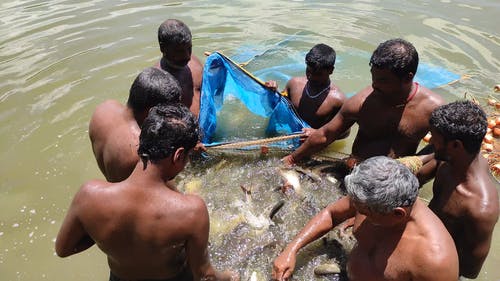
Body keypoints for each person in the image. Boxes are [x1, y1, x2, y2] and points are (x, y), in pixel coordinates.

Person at [56, 105, 238, 281]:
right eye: (187, 157)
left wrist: (105, 236)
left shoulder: (89, 196)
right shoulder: (191, 211)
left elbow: (63, 249)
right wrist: (229, 277)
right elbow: (205, 276)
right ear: (178, 155)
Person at [272, 156, 459, 281]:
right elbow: (331, 213)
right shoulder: (371, 198)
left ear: (397, 213)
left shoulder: (434, 261)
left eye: (365, 212)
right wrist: (291, 249)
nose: (356, 212)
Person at [282, 38, 445, 167]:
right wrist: (292, 158)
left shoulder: (433, 108)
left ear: (408, 78)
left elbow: (447, 149)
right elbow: (326, 135)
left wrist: (414, 164)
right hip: (355, 169)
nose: (374, 85)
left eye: (383, 80)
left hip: (396, 179)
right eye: (373, 77)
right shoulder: (362, 102)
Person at [428, 100, 499, 279]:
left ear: (455, 145)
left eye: (434, 138)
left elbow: (469, 270)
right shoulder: (456, 159)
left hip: (436, 268)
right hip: (426, 237)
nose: (431, 140)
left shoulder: (480, 209)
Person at [89, 67, 181, 182]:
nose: (171, 117)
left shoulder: (103, 109)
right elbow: (161, 191)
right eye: (169, 112)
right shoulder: (141, 152)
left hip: (113, 183)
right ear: (151, 111)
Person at [266, 44, 347, 129]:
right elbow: (279, 108)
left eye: (318, 74)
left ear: (331, 70)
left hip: (312, 141)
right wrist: (272, 92)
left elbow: (343, 133)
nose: (310, 76)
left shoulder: (338, 101)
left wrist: (316, 134)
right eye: (308, 70)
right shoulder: (293, 84)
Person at [156, 19, 203, 117]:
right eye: (179, 51)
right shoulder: (156, 82)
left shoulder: (194, 62)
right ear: (162, 48)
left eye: (189, 48)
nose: (187, 56)